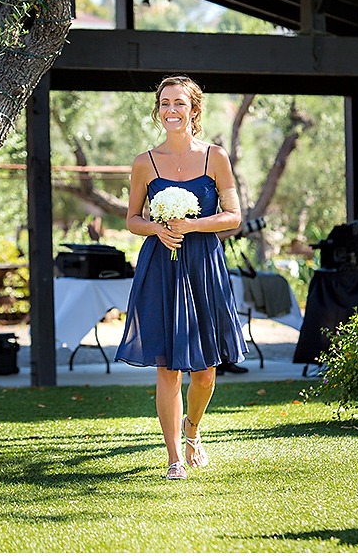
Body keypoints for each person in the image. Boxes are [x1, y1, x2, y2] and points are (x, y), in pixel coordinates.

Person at [116, 75, 249, 480]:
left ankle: (193, 430)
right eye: (164, 103)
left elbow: (234, 215)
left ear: (194, 110)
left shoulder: (215, 158)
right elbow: (132, 219)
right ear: (158, 110)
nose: (171, 110)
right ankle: (174, 456)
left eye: (179, 103)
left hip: (203, 266)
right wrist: (157, 228)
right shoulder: (145, 162)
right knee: (168, 367)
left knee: (205, 372)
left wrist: (192, 225)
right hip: (161, 265)